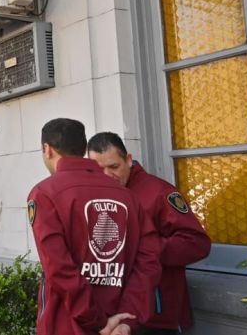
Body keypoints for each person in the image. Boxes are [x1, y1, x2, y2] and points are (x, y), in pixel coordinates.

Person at [27, 118, 162, 335]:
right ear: (83, 148)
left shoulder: (45, 193)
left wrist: (98, 321)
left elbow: (59, 268)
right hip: (119, 323)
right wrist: (127, 318)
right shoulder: (127, 196)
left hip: (68, 323)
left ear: (47, 149)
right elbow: (148, 262)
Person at [88, 132, 211, 335]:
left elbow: (197, 243)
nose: (107, 175)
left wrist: (145, 249)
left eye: (114, 167)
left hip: (157, 318)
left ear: (128, 160)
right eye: (99, 169)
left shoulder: (159, 192)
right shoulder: (96, 197)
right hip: (114, 317)